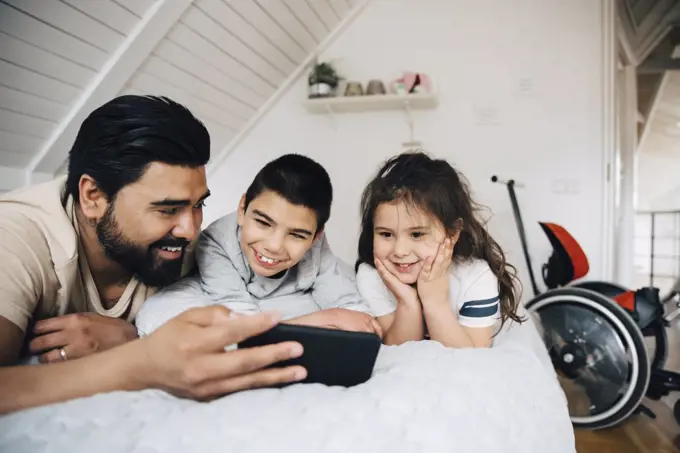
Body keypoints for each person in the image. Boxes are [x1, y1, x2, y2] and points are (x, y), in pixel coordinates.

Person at [0, 95, 306, 415]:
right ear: (93, 197)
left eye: (198, 205)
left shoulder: (189, 247)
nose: (190, 230)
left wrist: (134, 338)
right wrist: (140, 360)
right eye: (167, 209)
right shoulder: (15, 238)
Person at [135, 154, 381, 337]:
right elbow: (243, 324)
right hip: (230, 299)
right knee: (162, 311)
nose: (274, 246)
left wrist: (346, 316)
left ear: (315, 237)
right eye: (263, 223)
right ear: (242, 209)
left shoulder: (317, 248)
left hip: (282, 298)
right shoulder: (215, 243)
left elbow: (357, 314)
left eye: (296, 235)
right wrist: (326, 319)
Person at [354, 151, 524, 348]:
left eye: (417, 234)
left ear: (453, 232)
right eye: (386, 234)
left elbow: (473, 360)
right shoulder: (372, 275)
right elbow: (396, 354)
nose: (399, 251)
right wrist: (408, 303)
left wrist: (436, 302)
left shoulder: (475, 276)